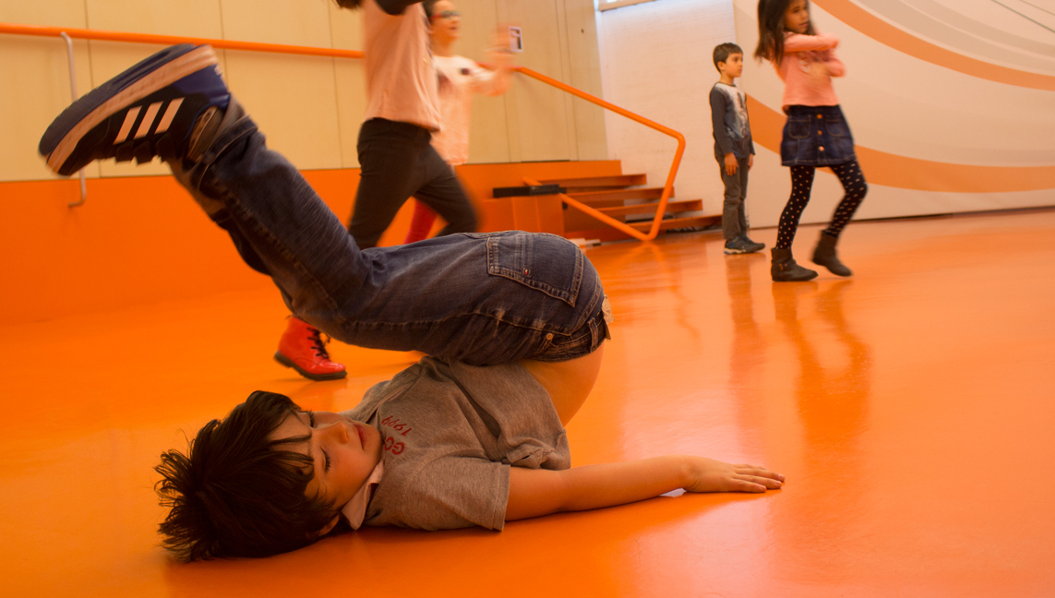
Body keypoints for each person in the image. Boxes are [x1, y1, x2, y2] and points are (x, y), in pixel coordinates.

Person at [37, 43, 784, 560]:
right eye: (325, 460)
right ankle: (207, 128)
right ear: (318, 524)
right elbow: (565, 495)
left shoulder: (340, 463)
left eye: (316, 422)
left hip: (501, 316)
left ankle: (191, 144)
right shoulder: (424, 492)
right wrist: (689, 467)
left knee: (325, 293)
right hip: (552, 316)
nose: (343, 432)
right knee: (343, 305)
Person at [276, 0, 491, 381]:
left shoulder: (404, 0)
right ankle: (300, 332)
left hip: (419, 145)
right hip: (390, 140)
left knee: (466, 218)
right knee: (356, 245)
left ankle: (422, 305)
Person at [755, 0, 868, 283]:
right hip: (802, 119)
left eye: (804, 8)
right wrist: (823, 47)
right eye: (795, 10)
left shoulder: (810, 41)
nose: (804, 14)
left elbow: (839, 66)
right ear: (778, 16)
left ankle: (826, 247)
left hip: (831, 117)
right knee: (800, 195)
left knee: (857, 187)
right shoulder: (777, 41)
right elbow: (832, 40)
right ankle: (781, 262)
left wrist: (826, 68)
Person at [404, 0, 515, 243]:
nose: (454, 19)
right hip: (422, 157)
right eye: (445, 15)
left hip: (444, 161)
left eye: (455, 14)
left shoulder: (464, 66)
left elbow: (495, 85)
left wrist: (502, 54)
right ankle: (406, 268)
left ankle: (405, 270)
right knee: (460, 220)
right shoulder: (421, 63)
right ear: (429, 25)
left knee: (424, 226)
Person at [709, 42, 766, 255]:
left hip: (742, 151)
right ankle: (731, 240)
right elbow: (718, 127)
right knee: (733, 195)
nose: (740, 64)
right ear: (721, 65)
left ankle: (742, 236)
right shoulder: (718, 92)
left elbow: (746, 123)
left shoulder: (739, 93)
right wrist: (728, 153)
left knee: (741, 195)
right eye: (735, 60)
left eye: (741, 59)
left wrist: (750, 150)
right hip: (729, 152)